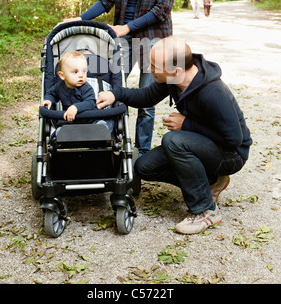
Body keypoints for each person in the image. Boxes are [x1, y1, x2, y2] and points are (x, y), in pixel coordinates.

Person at [96, 36, 252, 234]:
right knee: (144, 167)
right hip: (206, 143)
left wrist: (186, 124)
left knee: (174, 141)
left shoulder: (213, 92)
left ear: (176, 70)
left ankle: (206, 210)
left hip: (231, 154)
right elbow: (147, 96)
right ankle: (210, 183)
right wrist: (115, 93)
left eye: (154, 65)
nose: (149, 69)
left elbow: (233, 140)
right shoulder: (174, 78)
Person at [58, 0, 178, 156]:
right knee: (111, 89)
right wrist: (80, 18)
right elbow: (106, 0)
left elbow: (162, 10)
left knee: (146, 99)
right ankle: (110, 141)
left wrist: (127, 27)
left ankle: (142, 153)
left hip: (154, 39)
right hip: (122, 40)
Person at [41, 51, 113, 131]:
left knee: (103, 123)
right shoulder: (59, 86)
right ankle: (60, 133)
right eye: (75, 72)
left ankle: (100, 129)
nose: (81, 75)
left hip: (89, 120)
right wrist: (48, 100)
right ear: (62, 75)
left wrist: (76, 108)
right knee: (62, 127)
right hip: (70, 121)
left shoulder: (86, 88)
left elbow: (90, 102)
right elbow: (51, 93)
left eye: (84, 71)